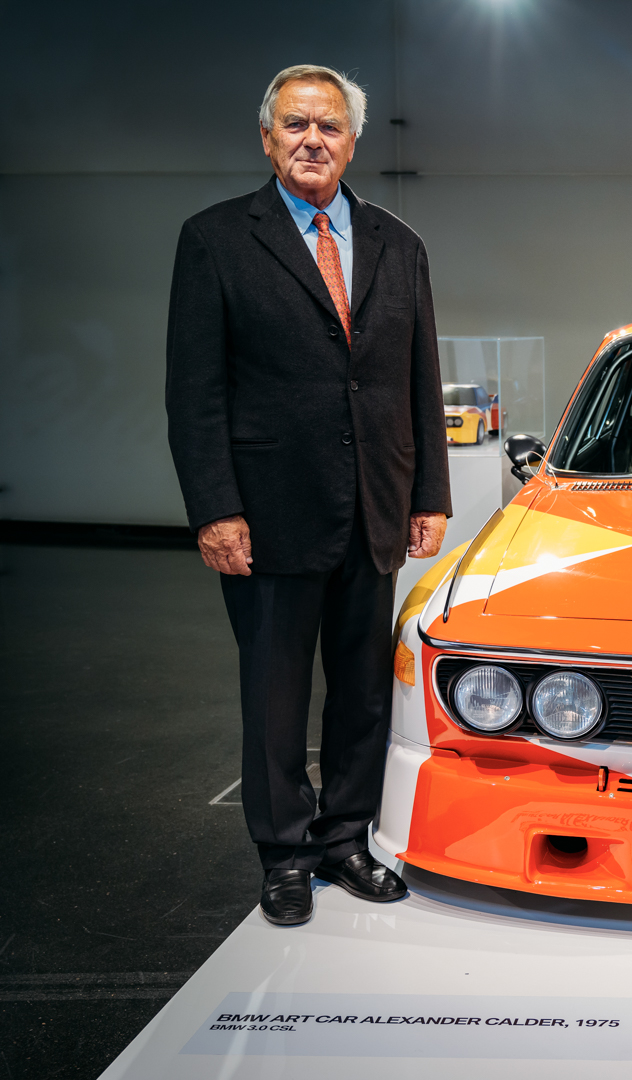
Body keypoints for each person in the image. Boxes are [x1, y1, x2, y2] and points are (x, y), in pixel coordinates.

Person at [166, 64, 452, 926]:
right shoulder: (216, 240)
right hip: (267, 515)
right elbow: (194, 394)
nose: (312, 140)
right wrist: (216, 508)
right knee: (276, 696)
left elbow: (417, 375)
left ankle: (344, 840)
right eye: (295, 124)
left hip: (374, 507)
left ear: (352, 142)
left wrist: (428, 492)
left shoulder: (398, 243)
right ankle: (285, 854)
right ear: (267, 138)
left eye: (328, 126)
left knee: (364, 694)